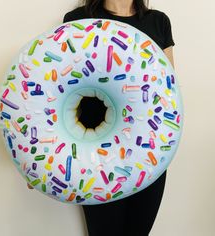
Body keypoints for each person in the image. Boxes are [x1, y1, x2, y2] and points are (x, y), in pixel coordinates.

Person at [61, 1, 175, 236]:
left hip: (148, 154)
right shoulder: (78, 19)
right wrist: (38, 162)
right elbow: (59, 88)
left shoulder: (158, 21)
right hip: (94, 154)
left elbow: (169, 92)